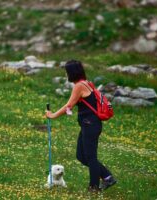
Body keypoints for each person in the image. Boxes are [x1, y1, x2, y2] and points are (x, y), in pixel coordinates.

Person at [45, 60, 117, 192]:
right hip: (89, 125)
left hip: (90, 125)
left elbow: (69, 106)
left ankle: (94, 187)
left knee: (90, 157)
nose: (66, 74)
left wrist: (53, 115)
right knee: (81, 156)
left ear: (71, 72)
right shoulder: (86, 83)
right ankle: (107, 177)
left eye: (66, 71)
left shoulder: (79, 86)